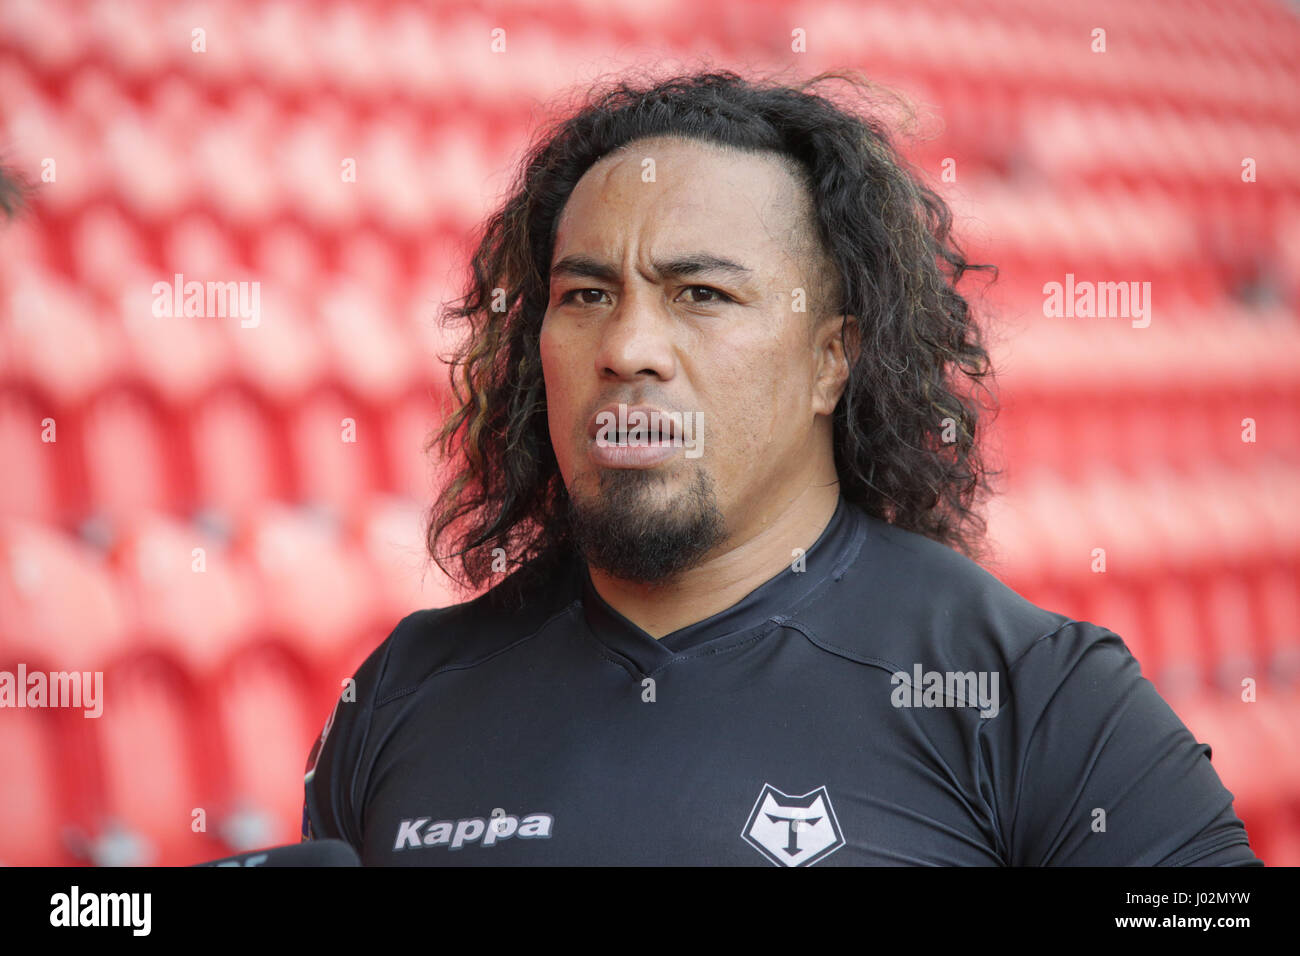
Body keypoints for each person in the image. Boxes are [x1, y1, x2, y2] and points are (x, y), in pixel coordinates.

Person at [302, 69, 1261, 865]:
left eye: (703, 294)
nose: (629, 346)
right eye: (586, 292)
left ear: (830, 359)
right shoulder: (402, 692)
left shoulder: (1032, 697)